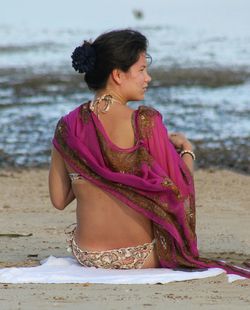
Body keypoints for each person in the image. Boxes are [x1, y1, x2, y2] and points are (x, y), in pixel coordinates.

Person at [49, 29, 250, 277]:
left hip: (86, 255)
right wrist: (187, 151)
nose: (149, 78)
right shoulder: (145, 122)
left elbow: (59, 200)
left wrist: (86, 167)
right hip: (138, 257)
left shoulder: (66, 126)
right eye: (142, 69)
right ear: (117, 75)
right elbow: (178, 191)